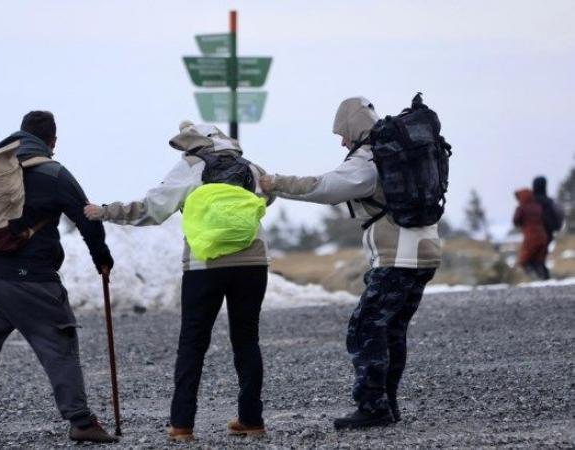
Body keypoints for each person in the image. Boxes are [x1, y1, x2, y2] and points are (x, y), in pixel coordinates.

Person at [260, 97, 442, 430]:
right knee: (391, 330)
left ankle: (373, 407)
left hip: (397, 257)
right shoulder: (401, 151)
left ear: (354, 128)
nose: (343, 141)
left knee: (365, 330)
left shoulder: (370, 158)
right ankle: (387, 404)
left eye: (343, 134)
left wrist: (276, 183)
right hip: (426, 250)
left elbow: (325, 188)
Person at [84, 121, 273, 442]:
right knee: (247, 339)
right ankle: (252, 420)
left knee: (193, 343)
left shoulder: (190, 166)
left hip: (204, 264)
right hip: (252, 261)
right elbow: (268, 198)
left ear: (193, 143)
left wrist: (105, 211)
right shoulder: (251, 167)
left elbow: (151, 210)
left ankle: (183, 425)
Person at [0, 111, 117, 446]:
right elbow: (87, 218)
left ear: (19, 135)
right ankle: (81, 422)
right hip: (34, 282)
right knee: (59, 345)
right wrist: (102, 258)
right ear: (52, 141)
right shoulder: (53, 172)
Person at [532, 176, 565, 279]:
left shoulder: (533, 203)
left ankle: (541, 277)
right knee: (541, 257)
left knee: (535, 258)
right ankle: (544, 277)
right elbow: (558, 217)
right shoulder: (550, 202)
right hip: (548, 233)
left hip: (535, 233)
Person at [513, 188, 549, 280]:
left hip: (531, 237)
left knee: (524, 261)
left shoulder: (522, 208)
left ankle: (535, 279)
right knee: (538, 260)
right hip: (543, 236)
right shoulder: (538, 207)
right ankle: (544, 279)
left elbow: (516, 221)